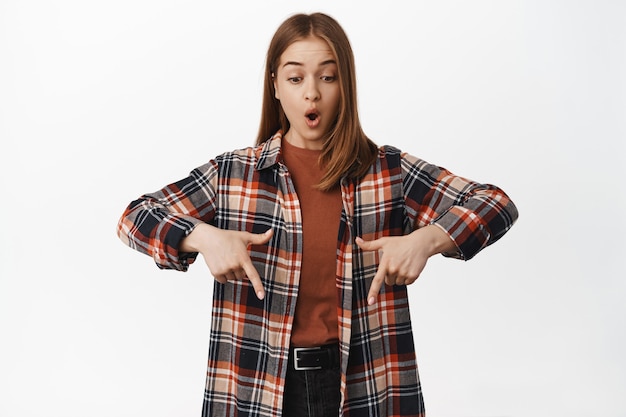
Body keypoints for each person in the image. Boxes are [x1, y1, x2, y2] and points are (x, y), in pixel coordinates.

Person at [117, 12, 518, 417]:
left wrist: (427, 241)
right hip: (257, 386)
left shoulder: (387, 172)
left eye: (327, 77)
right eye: (295, 78)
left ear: (345, 85)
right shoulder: (234, 175)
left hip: (366, 386)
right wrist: (202, 236)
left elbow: (495, 203)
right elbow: (134, 217)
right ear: (275, 85)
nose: (312, 93)